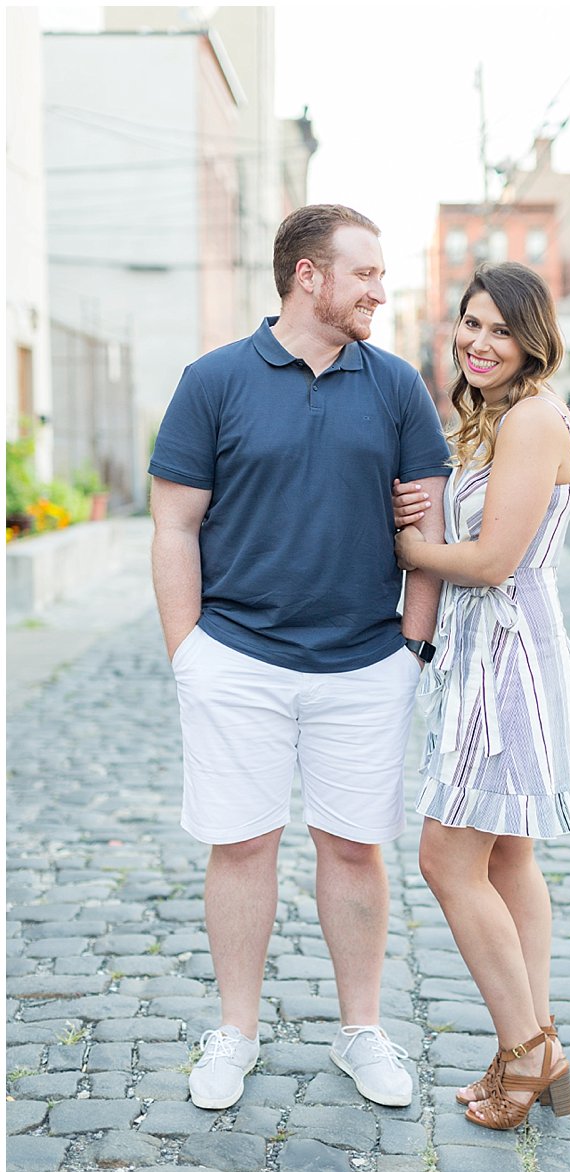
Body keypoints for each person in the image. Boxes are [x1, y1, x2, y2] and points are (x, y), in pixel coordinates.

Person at [150, 203, 450, 1111]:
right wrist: (188, 653)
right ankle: (235, 1031)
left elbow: (428, 519)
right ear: (308, 275)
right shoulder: (213, 381)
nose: (380, 291)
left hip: (364, 662)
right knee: (240, 843)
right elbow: (173, 523)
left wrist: (413, 647)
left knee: (354, 847)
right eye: (365, 274)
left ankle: (360, 1028)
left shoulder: (396, 387)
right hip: (235, 656)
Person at [390, 262, 570, 1128]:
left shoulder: (535, 418)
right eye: (470, 324)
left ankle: (529, 1050)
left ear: (531, 340)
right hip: (488, 653)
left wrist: (410, 547)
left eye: (499, 330)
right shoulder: (501, 416)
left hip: (504, 658)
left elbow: (492, 562)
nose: (478, 341)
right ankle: (529, 1041)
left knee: (446, 858)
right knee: (506, 858)